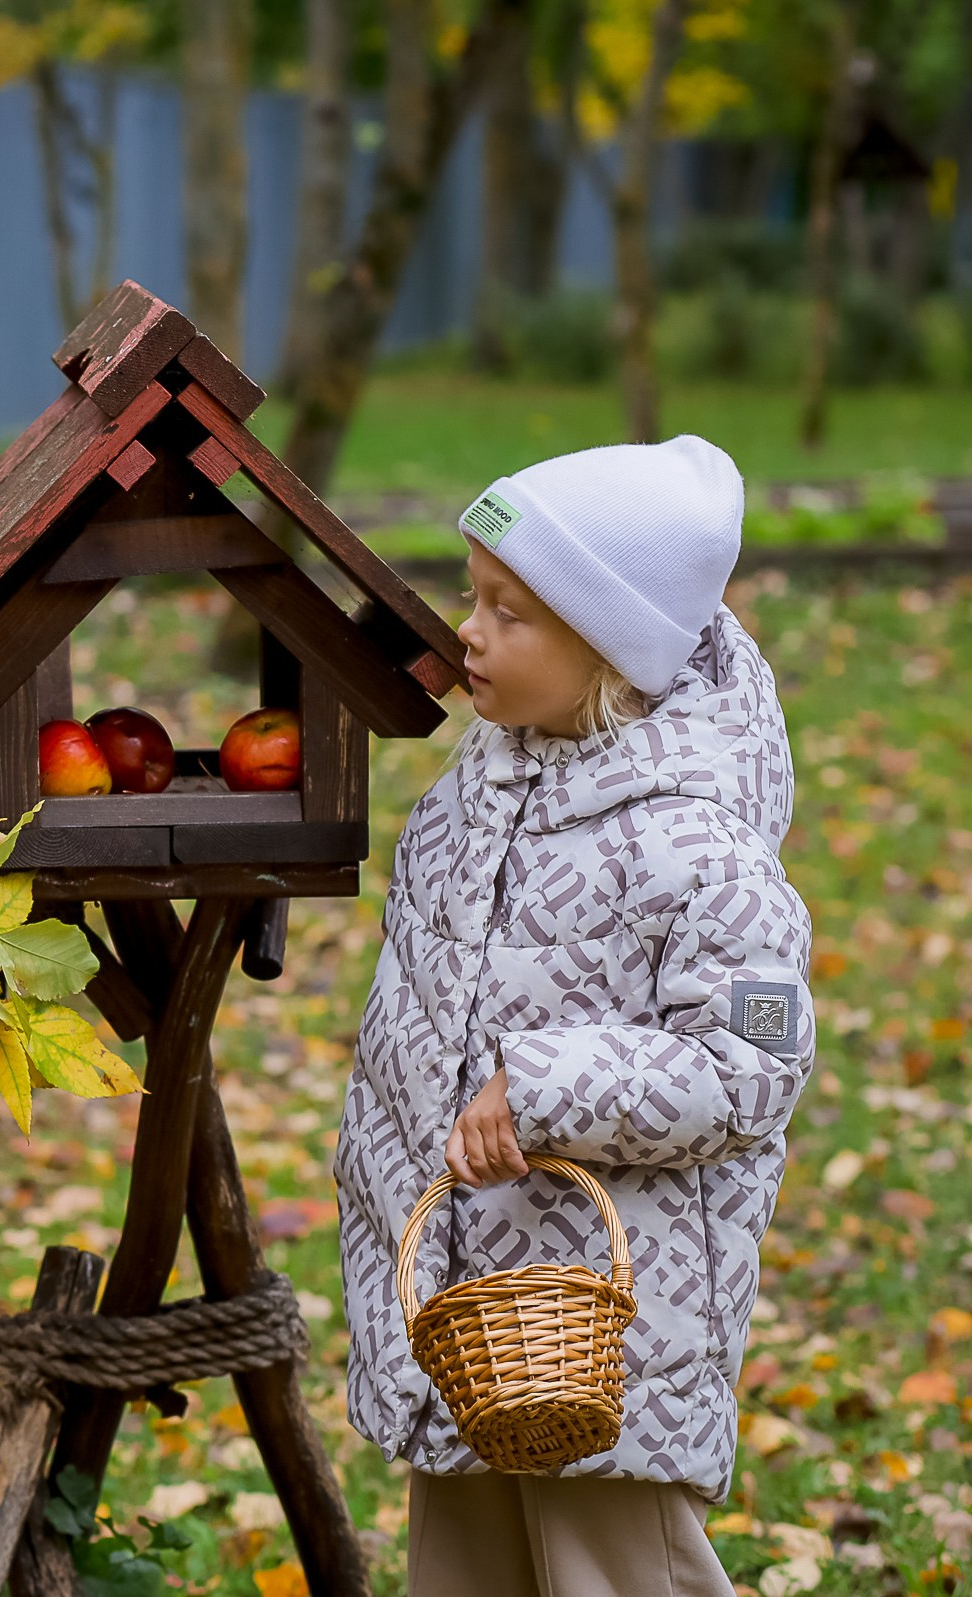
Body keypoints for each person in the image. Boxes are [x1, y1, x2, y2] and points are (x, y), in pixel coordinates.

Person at [334, 435, 814, 1597]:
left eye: (514, 612)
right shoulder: (477, 790)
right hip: (463, 1305)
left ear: (614, 647)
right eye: (473, 597)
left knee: (612, 1573)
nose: (473, 631)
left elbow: (754, 1061)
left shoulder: (699, 844)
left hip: (609, 1331)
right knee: (463, 1570)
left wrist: (549, 1089)